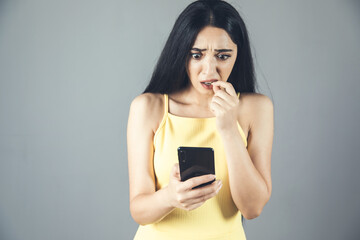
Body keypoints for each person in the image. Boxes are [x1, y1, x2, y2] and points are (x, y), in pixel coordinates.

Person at [127, 0, 274, 239]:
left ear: (238, 54)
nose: (209, 71)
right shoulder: (148, 108)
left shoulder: (256, 108)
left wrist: (228, 128)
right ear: (181, 53)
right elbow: (139, 210)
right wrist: (170, 197)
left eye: (223, 56)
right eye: (196, 55)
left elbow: (253, 207)